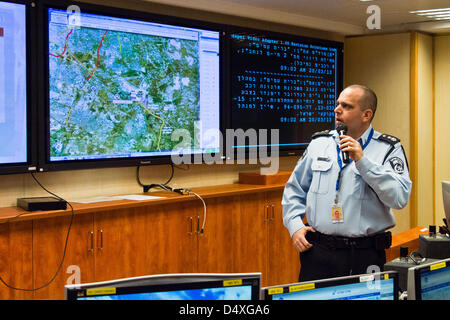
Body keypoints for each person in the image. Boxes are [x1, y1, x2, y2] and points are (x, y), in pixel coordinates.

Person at [282, 84, 412, 282]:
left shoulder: (388, 149)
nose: (337, 110)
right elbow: (294, 190)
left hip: (365, 254)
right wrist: (295, 226)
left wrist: (363, 161)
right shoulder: (319, 144)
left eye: (346, 106)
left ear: (366, 115)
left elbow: (399, 198)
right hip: (319, 254)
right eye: (337, 104)